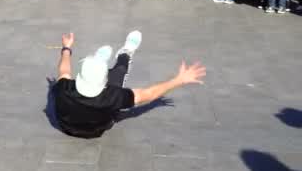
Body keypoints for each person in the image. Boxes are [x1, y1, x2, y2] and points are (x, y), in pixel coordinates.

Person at [53, 31, 206, 139]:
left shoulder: (63, 89)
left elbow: (64, 71)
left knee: (113, 78)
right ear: (103, 83)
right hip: (96, 130)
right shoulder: (112, 96)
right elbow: (147, 95)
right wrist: (179, 80)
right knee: (118, 74)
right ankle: (126, 52)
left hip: (67, 127)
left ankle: (98, 60)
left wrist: (66, 47)